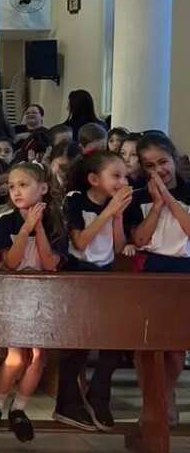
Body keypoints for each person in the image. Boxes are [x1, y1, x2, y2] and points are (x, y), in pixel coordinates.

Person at [0, 163, 65, 441]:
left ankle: (19, 408)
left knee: (39, 354)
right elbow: (11, 262)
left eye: (23, 185)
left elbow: (51, 263)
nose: (16, 191)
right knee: (17, 355)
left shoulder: (57, 220)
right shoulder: (6, 221)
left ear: (43, 189)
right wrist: (26, 226)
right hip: (15, 292)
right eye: (12, 186)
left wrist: (38, 227)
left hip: (46, 293)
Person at [56, 150, 133, 431]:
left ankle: (100, 395)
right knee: (77, 342)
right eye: (115, 175)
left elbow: (117, 246)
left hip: (106, 275)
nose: (122, 181)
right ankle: (67, 402)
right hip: (78, 274)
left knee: (114, 340)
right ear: (93, 179)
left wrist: (117, 217)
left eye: (125, 175)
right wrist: (109, 211)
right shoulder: (75, 200)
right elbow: (82, 241)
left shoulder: (116, 205)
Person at [124, 133, 190, 423]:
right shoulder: (137, 198)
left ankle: (167, 393)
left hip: (183, 270)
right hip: (150, 269)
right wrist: (157, 205)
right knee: (147, 344)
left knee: (176, 347)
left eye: (162, 162)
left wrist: (170, 199)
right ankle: (151, 400)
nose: (158, 171)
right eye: (149, 166)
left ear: (173, 159)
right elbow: (138, 238)